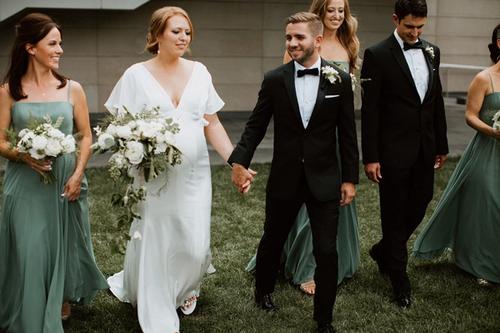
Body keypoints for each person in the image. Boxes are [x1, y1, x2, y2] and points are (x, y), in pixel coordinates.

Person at [105, 7, 240, 333]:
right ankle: (158, 300)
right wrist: (134, 149)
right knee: (157, 238)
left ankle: (185, 286)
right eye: (176, 31)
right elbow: (120, 126)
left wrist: (236, 161)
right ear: (156, 36)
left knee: (195, 243)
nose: (183, 37)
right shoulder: (136, 75)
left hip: (194, 175)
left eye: (187, 32)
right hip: (153, 175)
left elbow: (213, 124)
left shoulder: (200, 72)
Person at [229, 12, 359, 333]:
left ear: (317, 40)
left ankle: (324, 318)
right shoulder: (275, 79)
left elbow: (348, 135)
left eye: (299, 37)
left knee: (327, 251)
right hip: (285, 176)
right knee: (272, 238)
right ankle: (263, 292)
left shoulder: (338, 81)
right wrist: (239, 161)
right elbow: (255, 125)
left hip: (325, 178)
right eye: (288, 37)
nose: (292, 43)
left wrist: (349, 179)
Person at [0, 13, 108, 333]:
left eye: (61, 43)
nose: (60, 49)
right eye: (53, 43)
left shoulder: (72, 89)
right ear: (31, 48)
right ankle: (29, 305)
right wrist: (22, 155)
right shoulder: (8, 91)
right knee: (30, 246)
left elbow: (86, 136)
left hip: (64, 178)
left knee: (62, 242)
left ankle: (60, 294)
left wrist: (77, 175)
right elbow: (0, 139)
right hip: (24, 181)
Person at [360, 0, 449, 309]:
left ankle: (384, 250)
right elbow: (370, 112)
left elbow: (435, 101)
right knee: (394, 212)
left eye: (420, 27)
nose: (415, 32)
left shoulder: (432, 52)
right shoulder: (377, 54)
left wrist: (441, 145)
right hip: (392, 150)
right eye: (409, 26)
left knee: (421, 200)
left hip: (425, 146)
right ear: (395, 19)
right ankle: (398, 276)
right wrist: (370, 156)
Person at [412, 24, 500, 285]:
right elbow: (470, 116)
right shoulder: (485, 78)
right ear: (497, 43)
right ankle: (480, 261)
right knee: (490, 205)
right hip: (487, 148)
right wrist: (493, 131)